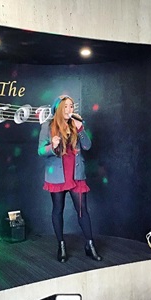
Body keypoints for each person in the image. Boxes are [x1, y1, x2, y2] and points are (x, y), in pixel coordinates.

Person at [38, 95, 102, 263]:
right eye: (65, 106)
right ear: (58, 108)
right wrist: (52, 145)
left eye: (71, 106)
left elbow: (87, 146)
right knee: (57, 210)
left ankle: (90, 245)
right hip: (57, 176)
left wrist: (81, 130)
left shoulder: (76, 124)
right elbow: (40, 151)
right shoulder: (48, 126)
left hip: (76, 175)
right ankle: (61, 246)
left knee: (83, 211)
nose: (69, 110)